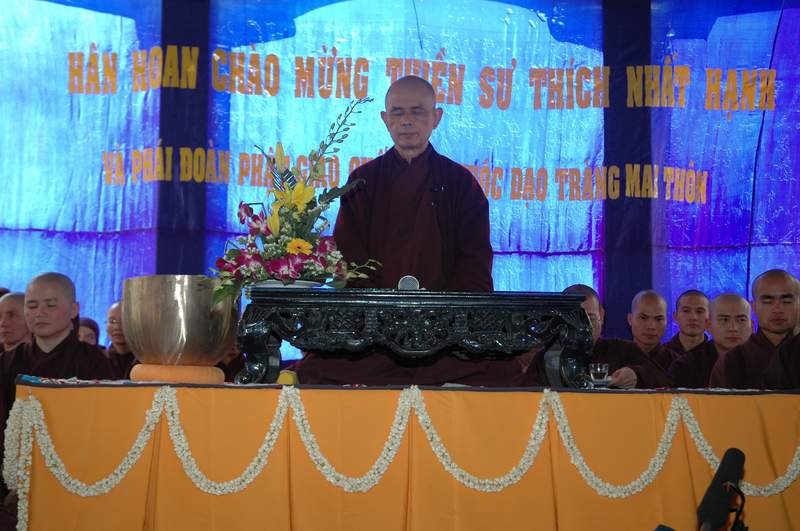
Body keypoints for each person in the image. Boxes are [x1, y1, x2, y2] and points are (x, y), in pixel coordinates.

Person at [292, 76, 520, 386]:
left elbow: (474, 264)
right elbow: (348, 259)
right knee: (316, 369)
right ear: (385, 120)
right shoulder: (363, 181)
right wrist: (383, 318)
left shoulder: (460, 183)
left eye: (417, 111)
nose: (407, 121)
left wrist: (440, 319)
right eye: (397, 112)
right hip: (373, 330)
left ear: (436, 118)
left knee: (502, 371)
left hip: (444, 330)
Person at [710, 269, 797, 389]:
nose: (777, 309)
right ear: (754, 306)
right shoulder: (732, 361)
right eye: (768, 301)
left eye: (786, 301)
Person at [669, 293, 751, 388]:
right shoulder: (685, 366)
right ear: (708, 325)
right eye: (724, 320)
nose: (733, 328)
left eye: (741, 320)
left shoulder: (762, 363)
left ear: (752, 326)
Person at [105, 302, 137, 379]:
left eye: (125, 321)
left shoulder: (145, 361)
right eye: (112, 321)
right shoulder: (99, 359)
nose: (117, 327)